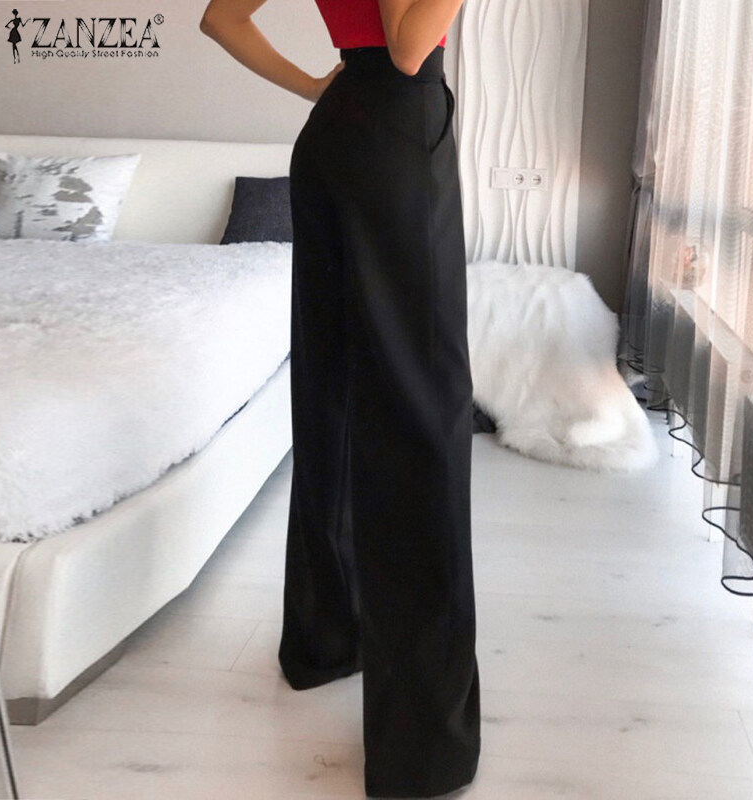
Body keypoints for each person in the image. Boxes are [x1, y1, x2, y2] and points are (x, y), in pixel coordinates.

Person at [199, 2, 480, 797]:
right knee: (423, 414)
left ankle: (327, 638)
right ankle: (422, 748)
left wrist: (316, 86)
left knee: (335, 396)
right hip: (394, 133)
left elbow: (221, 19)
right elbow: (408, 45)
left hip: (339, 135)